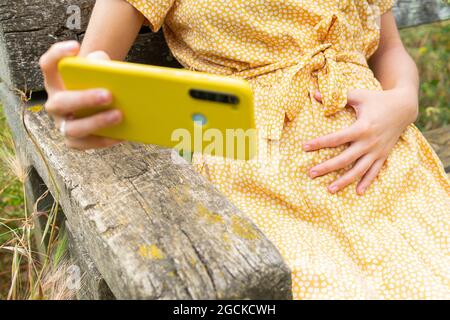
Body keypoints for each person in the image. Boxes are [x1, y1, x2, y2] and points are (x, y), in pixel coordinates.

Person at [39, 0, 450, 299]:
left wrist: (403, 102)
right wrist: (85, 110)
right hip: (261, 172)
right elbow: (93, 74)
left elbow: (391, 51)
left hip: (391, 166)